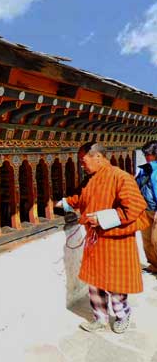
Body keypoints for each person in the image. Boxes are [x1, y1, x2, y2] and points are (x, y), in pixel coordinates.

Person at [56, 142, 150, 334]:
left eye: (83, 161)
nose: (82, 165)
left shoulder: (120, 177)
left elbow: (134, 207)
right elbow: (82, 198)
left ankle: (122, 315)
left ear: (97, 156)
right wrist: (64, 203)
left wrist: (102, 217)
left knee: (115, 283)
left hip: (116, 240)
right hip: (95, 240)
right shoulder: (92, 179)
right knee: (95, 282)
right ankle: (100, 318)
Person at [136, 140, 157, 273]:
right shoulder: (144, 170)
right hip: (145, 210)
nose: (146, 156)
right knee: (147, 241)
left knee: (156, 240)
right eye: (145, 154)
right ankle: (154, 265)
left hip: (155, 211)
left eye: (148, 154)